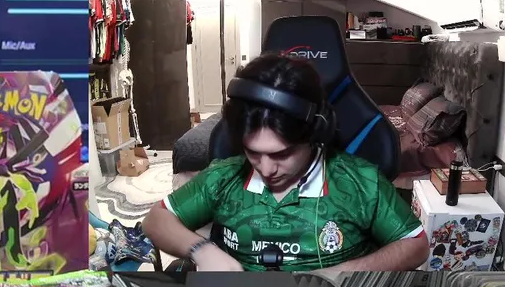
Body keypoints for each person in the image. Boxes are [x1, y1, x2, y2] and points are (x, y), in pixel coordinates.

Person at [142, 53, 429, 273]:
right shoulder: (224, 176)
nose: (266, 169)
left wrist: (342, 273)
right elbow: (156, 220)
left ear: (316, 134)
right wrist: (202, 250)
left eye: (282, 154)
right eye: (253, 152)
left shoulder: (362, 182)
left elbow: (416, 245)